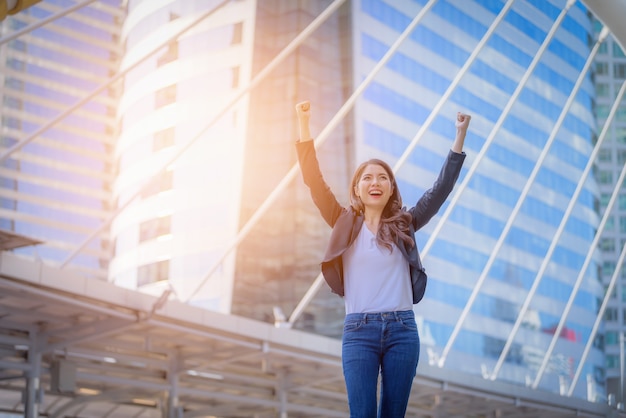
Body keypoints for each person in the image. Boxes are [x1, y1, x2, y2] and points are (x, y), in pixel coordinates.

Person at [294, 100, 470, 418]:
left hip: (402, 330)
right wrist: (304, 123)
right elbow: (314, 182)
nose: (375, 182)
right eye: (367, 178)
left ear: (391, 189)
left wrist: (460, 136)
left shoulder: (406, 223)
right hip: (359, 330)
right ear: (357, 189)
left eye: (382, 178)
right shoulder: (341, 220)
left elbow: (441, 189)